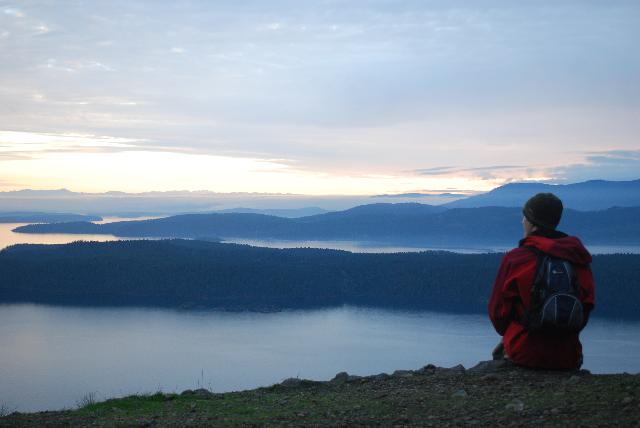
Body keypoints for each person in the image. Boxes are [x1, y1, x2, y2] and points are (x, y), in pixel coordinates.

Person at [488, 192, 595, 369]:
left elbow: (498, 312)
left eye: (525, 217)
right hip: (568, 355)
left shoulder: (517, 258)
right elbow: (586, 307)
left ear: (532, 222)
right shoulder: (578, 258)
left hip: (524, 351)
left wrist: (509, 335)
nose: (522, 221)